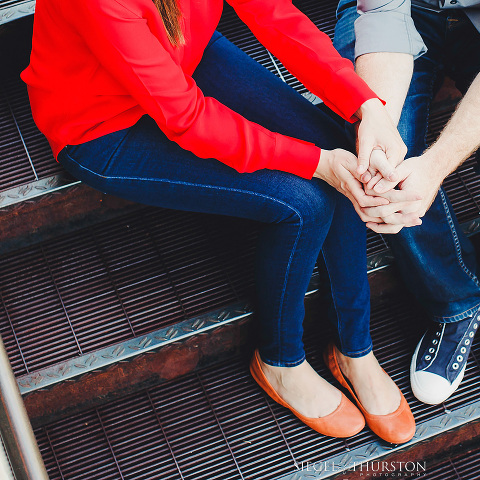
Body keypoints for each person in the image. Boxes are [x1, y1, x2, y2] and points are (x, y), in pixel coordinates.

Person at [22, 0, 417, 443]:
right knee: (303, 202)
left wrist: (367, 106)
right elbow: (187, 119)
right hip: (100, 123)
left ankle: (353, 348)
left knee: (340, 144)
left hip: (182, 49)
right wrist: (314, 163)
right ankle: (280, 361)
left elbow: (276, 16)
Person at [334, 0, 480, 404]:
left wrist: (436, 166)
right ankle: (456, 298)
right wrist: (381, 134)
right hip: (400, 9)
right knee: (379, 165)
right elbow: (383, 14)